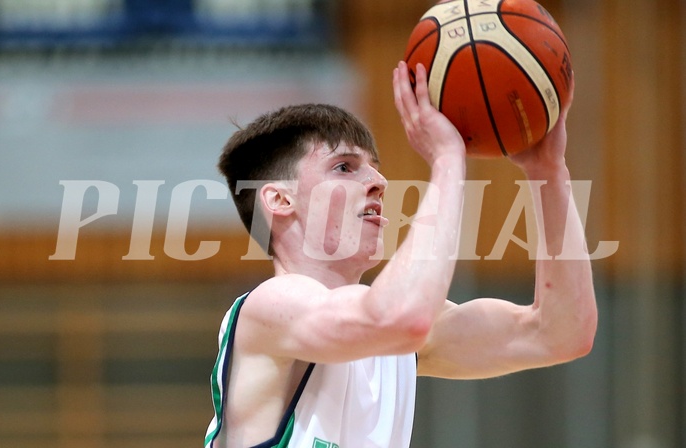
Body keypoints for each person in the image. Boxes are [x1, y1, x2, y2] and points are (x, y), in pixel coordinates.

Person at [204, 61, 598, 448]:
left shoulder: (392, 336)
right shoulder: (270, 307)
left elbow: (561, 333)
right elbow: (399, 316)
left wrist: (548, 170)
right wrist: (446, 160)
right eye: (344, 167)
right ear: (279, 199)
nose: (379, 182)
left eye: (375, 169)